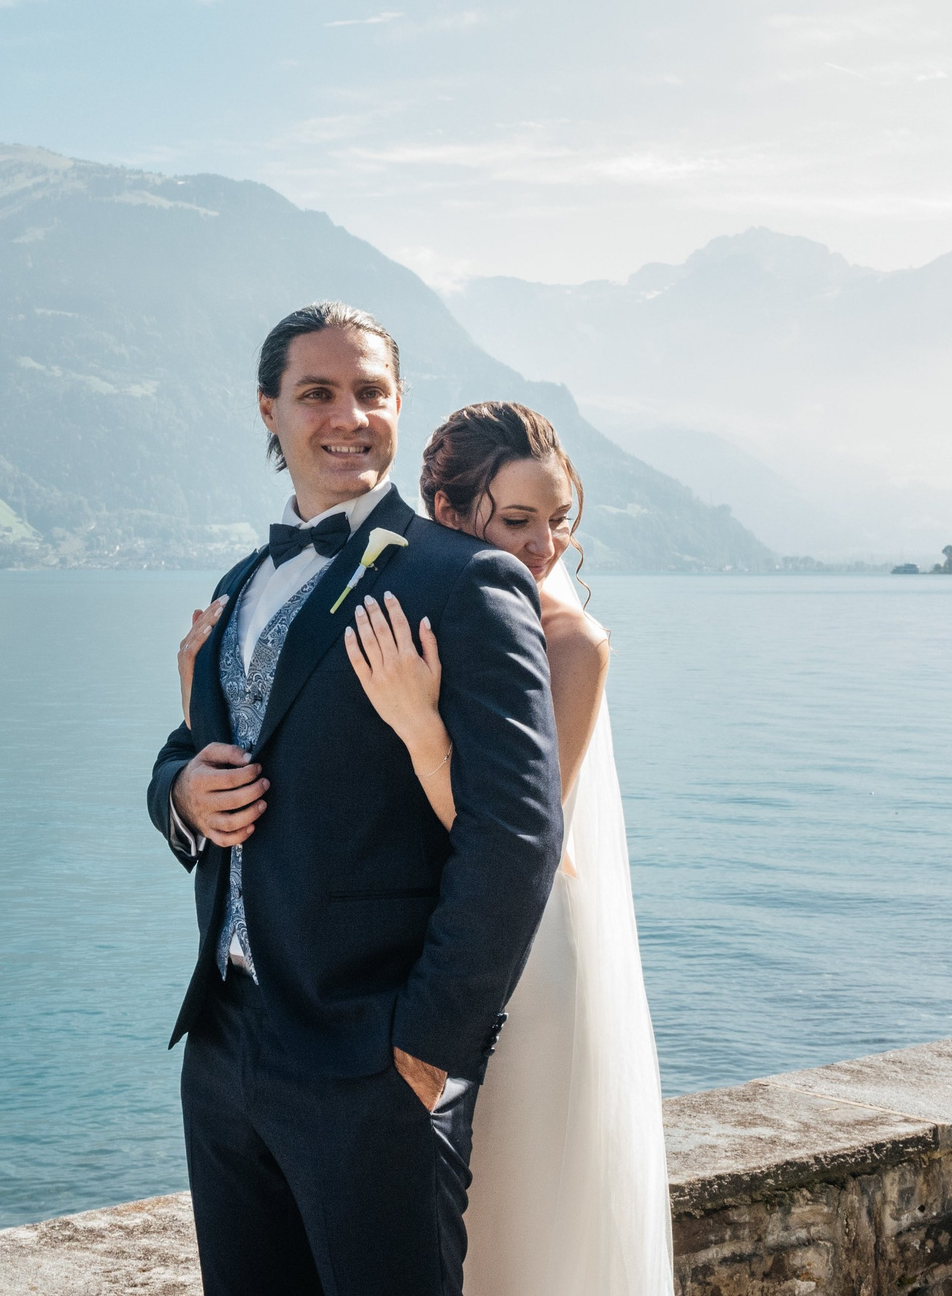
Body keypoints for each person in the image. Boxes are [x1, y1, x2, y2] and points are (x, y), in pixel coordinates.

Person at [148, 303, 564, 1296]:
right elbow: (184, 750)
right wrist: (181, 793)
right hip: (224, 1048)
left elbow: (517, 834)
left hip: (372, 1060)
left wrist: (427, 1052)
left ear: (398, 406)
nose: (348, 414)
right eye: (317, 392)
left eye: (370, 391)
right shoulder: (239, 583)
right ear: (269, 409)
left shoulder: (465, 581)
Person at [344, 402, 674, 1296]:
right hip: (429, 943)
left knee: (520, 1218)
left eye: (560, 519)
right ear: (448, 513)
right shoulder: (419, 616)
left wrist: (420, 726)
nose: (546, 544)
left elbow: (522, 836)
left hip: (522, 952)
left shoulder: (574, 645)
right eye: (520, 520)